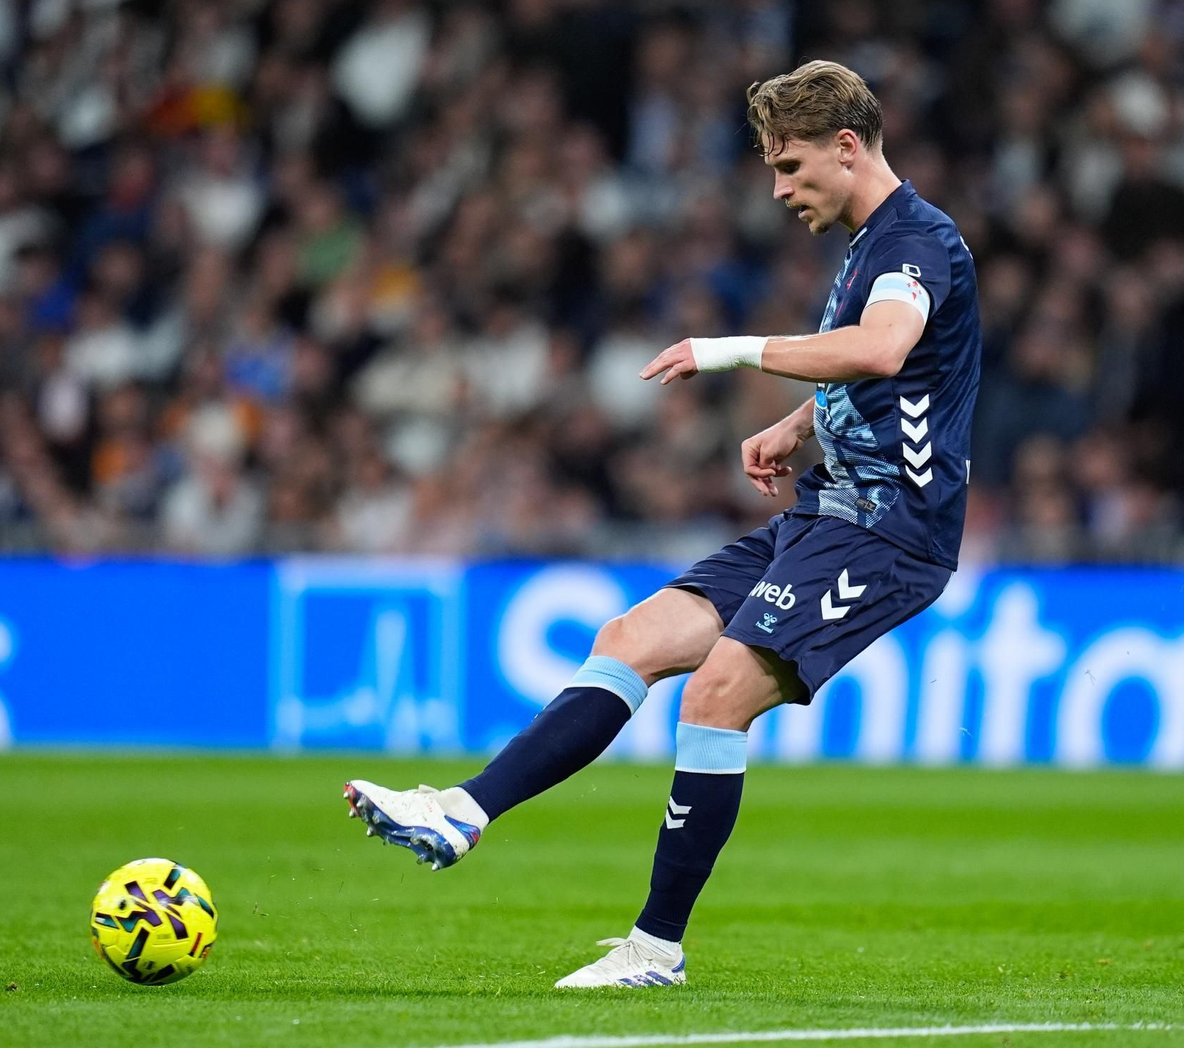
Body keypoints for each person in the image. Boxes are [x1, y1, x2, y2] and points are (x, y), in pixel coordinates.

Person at [342, 60, 981, 988]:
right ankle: (462, 810)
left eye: (792, 166)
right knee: (631, 637)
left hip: (890, 532)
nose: (779, 187)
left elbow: (882, 350)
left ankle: (656, 948)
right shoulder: (869, 243)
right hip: (825, 510)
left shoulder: (918, 239)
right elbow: (896, 374)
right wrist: (800, 425)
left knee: (716, 693)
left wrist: (728, 352)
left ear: (848, 149)